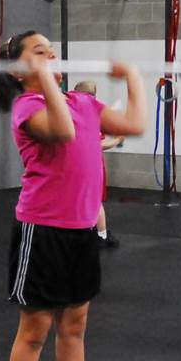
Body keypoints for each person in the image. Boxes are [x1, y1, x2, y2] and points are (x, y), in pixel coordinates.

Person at [0, 34, 144, 361]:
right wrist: (43, 81)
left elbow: (132, 125)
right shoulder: (28, 108)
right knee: (36, 329)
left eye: (52, 51)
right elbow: (62, 131)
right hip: (42, 231)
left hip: (80, 231)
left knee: (74, 324)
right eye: (39, 52)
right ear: (17, 71)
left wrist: (132, 75)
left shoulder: (82, 101)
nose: (51, 57)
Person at [74, 79, 122, 249]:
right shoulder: (85, 114)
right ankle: (93, 232)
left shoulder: (88, 115)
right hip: (82, 164)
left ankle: (101, 235)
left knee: (93, 201)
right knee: (84, 200)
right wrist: (116, 140)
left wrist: (116, 140)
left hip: (90, 166)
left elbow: (97, 143)